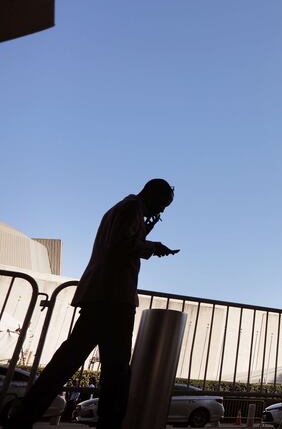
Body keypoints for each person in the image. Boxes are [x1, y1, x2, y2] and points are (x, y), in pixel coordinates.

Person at [5, 179, 179, 429]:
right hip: (114, 298)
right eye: (162, 205)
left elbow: (119, 242)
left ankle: (23, 417)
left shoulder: (122, 208)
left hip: (100, 295)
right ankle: (108, 423)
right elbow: (120, 246)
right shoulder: (132, 208)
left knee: (68, 361)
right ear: (152, 195)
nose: (161, 212)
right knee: (116, 371)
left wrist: (145, 233)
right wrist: (152, 246)